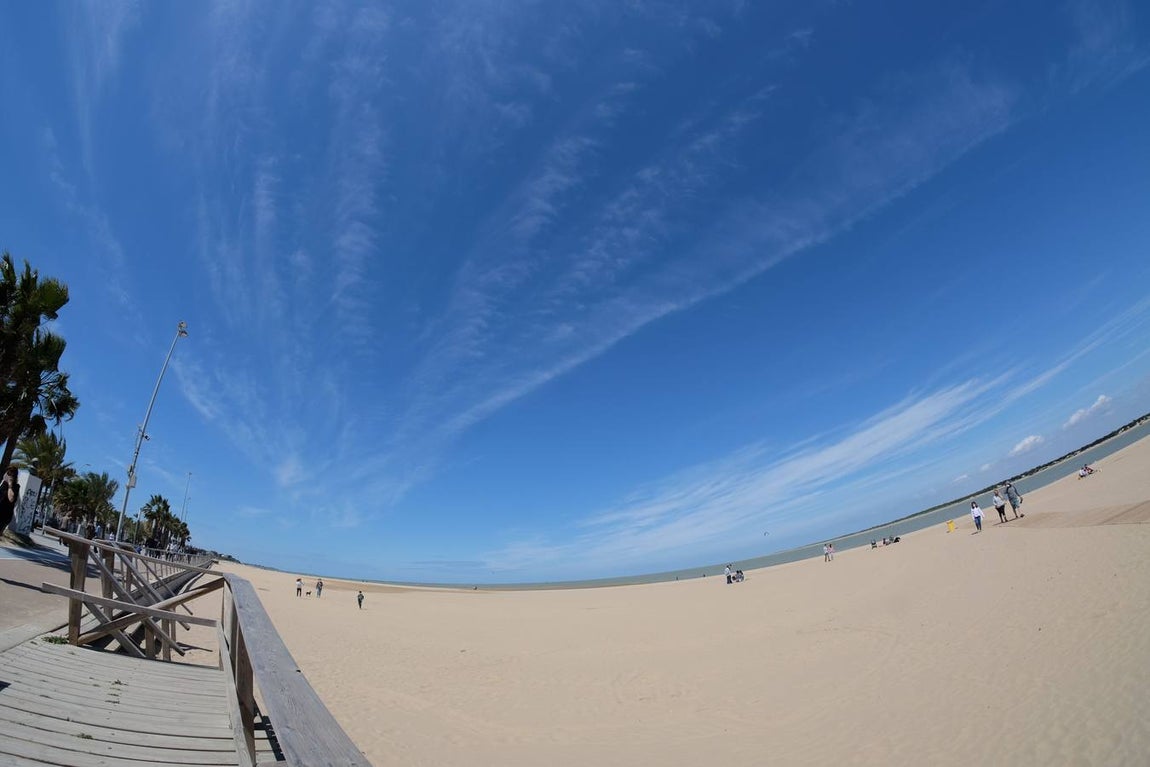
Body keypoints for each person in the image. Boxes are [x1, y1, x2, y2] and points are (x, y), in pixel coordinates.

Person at [0, 467, 20, 534]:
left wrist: (10, 485)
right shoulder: (3, 484)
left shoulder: (15, 487)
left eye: (7, 474)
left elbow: (11, 499)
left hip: (3, 516)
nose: (5, 475)